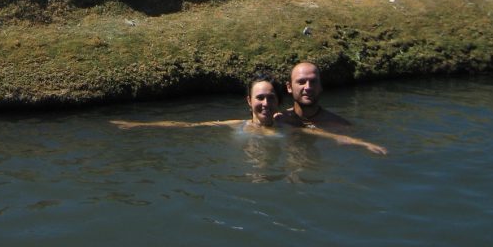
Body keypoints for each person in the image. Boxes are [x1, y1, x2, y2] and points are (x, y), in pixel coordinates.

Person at [111, 74, 293, 132]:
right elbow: (189, 125)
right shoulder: (238, 125)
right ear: (249, 101)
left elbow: (317, 133)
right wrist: (139, 125)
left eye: (270, 97)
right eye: (260, 97)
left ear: (278, 100)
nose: (265, 103)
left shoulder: (288, 129)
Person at [284, 61, 387, 155]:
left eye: (313, 82)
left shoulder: (339, 124)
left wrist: (363, 144)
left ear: (320, 86)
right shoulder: (279, 118)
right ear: (289, 87)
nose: (308, 87)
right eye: (301, 82)